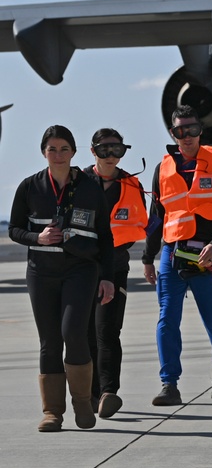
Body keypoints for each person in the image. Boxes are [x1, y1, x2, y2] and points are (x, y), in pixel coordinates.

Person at [8, 125, 115, 432]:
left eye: (64, 149)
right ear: (44, 152)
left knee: (73, 334)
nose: (58, 155)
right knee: (49, 342)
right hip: (41, 272)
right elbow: (14, 229)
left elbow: (105, 238)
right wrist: (37, 237)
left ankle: (82, 402)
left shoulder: (90, 188)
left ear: (74, 152)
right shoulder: (30, 187)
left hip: (81, 270)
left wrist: (107, 277)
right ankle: (52, 411)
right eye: (52, 149)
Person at [142, 105, 212, 407]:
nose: (186, 137)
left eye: (192, 130)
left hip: (206, 253)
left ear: (201, 131)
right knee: (167, 318)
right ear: (173, 134)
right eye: (180, 131)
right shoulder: (163, 169)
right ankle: (169, 384)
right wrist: (148, 257)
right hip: (173, 254)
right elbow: (157, 218)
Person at [84, 128, 148, 419]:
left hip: (116, 267)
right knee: (84, 334)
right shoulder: (79, 182)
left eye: (117, 150)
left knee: (108, 331)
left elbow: (141, 224)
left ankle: (109, 391)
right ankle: (92, 392)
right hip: (81, 269)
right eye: (104, 150)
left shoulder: (132, 185)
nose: (111, 156)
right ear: (93, 151)